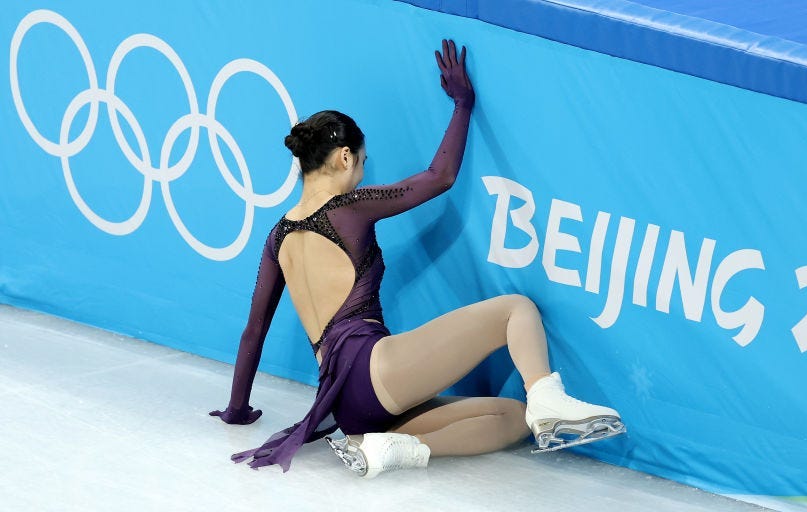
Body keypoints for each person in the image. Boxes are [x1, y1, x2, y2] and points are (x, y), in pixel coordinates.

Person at [210, 39, 624, 478]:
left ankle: (399, 448)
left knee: (512, 417)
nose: (364, 173)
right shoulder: (349, 208)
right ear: (345, 156)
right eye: (363, 162)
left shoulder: (277, 237)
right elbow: (438, 177)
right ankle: (547, 396)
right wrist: (463, 103)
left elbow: (253, 332)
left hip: (346, 405)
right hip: (373, 371)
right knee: (516, 311)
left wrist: (238, 409)